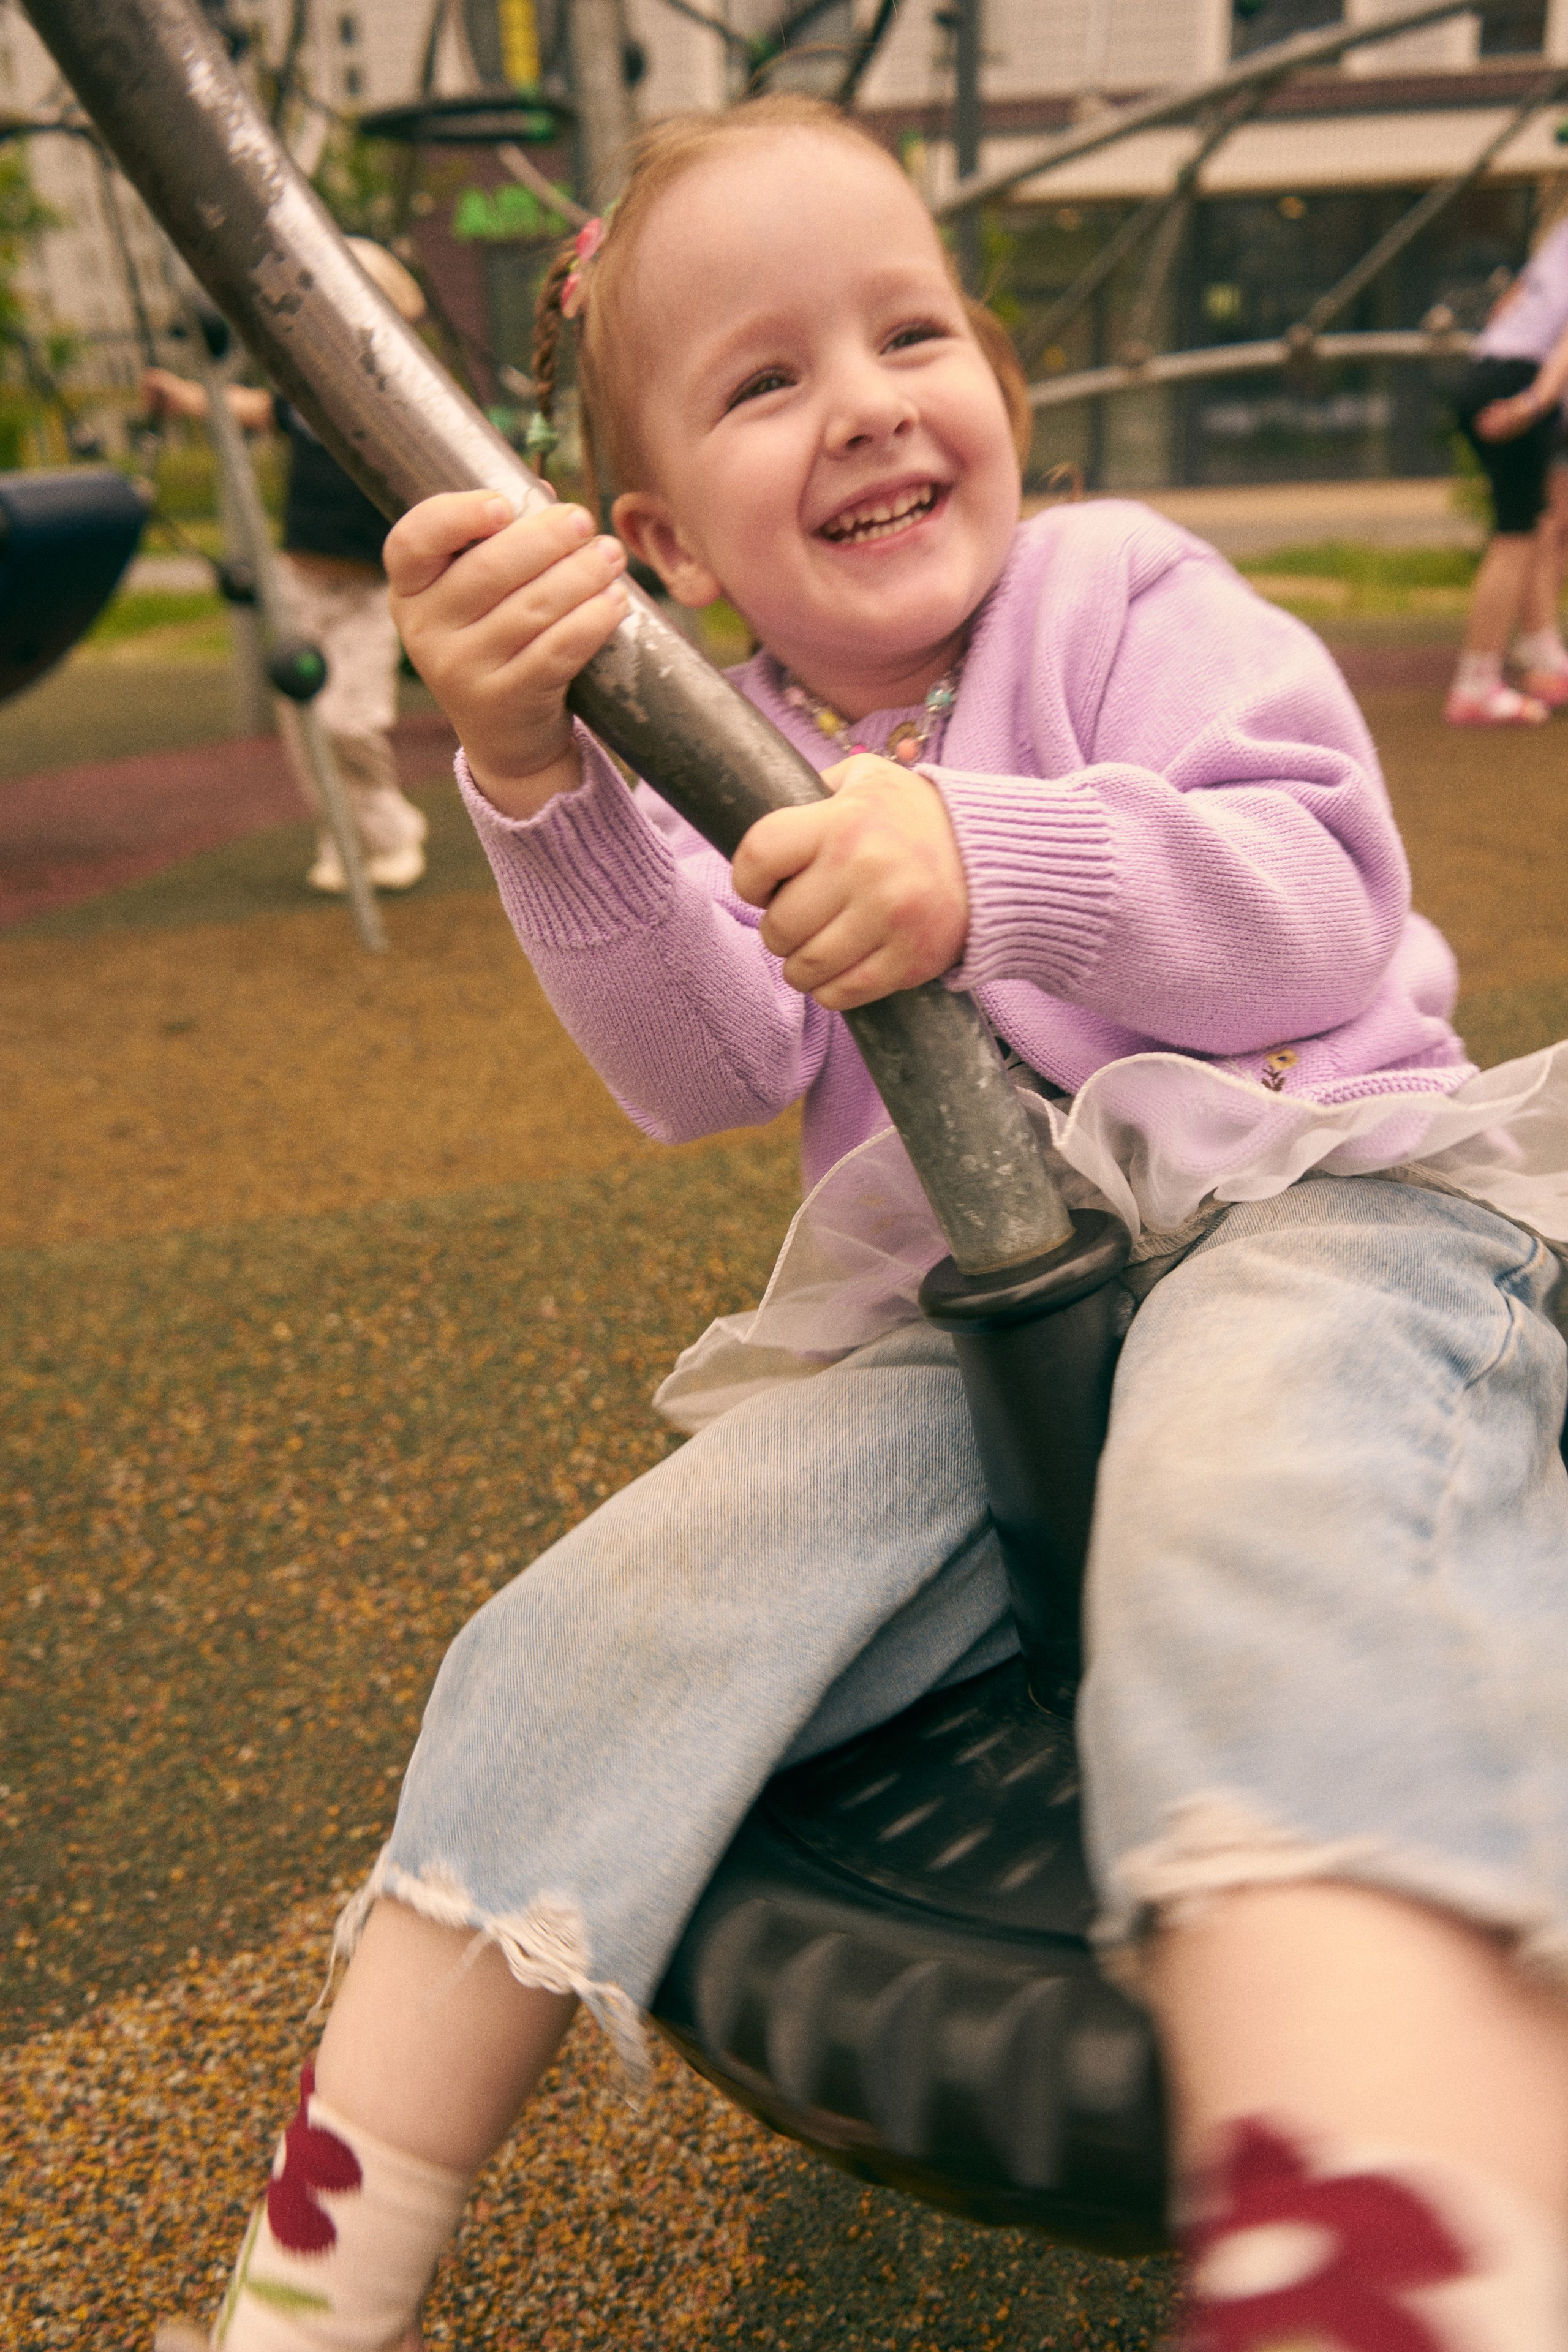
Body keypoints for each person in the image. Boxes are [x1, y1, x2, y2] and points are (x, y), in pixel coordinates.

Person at [159, 97, 1568, 2352]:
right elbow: (695, 1066)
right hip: (971, 1330)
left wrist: (975, 859)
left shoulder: (1122, 596)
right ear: (656, 541)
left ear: (997, 401)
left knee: (1262, 1513)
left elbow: (1322, 899)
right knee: (589, 1623)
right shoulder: (726, 728)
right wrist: (534, 775)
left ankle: (1386, 2220)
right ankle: (313, 2278)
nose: (862, 402)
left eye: (904, 332)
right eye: (761, 380)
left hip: (1309, 1209)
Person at [143, 238, 431, 894]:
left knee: (348, 720)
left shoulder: (399, 393)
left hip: (367, 588)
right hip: (302, 581)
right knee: (305, 730)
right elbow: (249, 409)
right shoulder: (308, 388)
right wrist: (182, 396)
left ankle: (392, 831)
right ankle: (343, 837)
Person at [1447, 214, 1568, 726]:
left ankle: (1543, 657)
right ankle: (1476, 687)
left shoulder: (1562, 232)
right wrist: (1532, 404)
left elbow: (1509, 305)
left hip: (1490, 367)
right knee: (1515, 536)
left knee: (1542, 523)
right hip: (1519, 379)